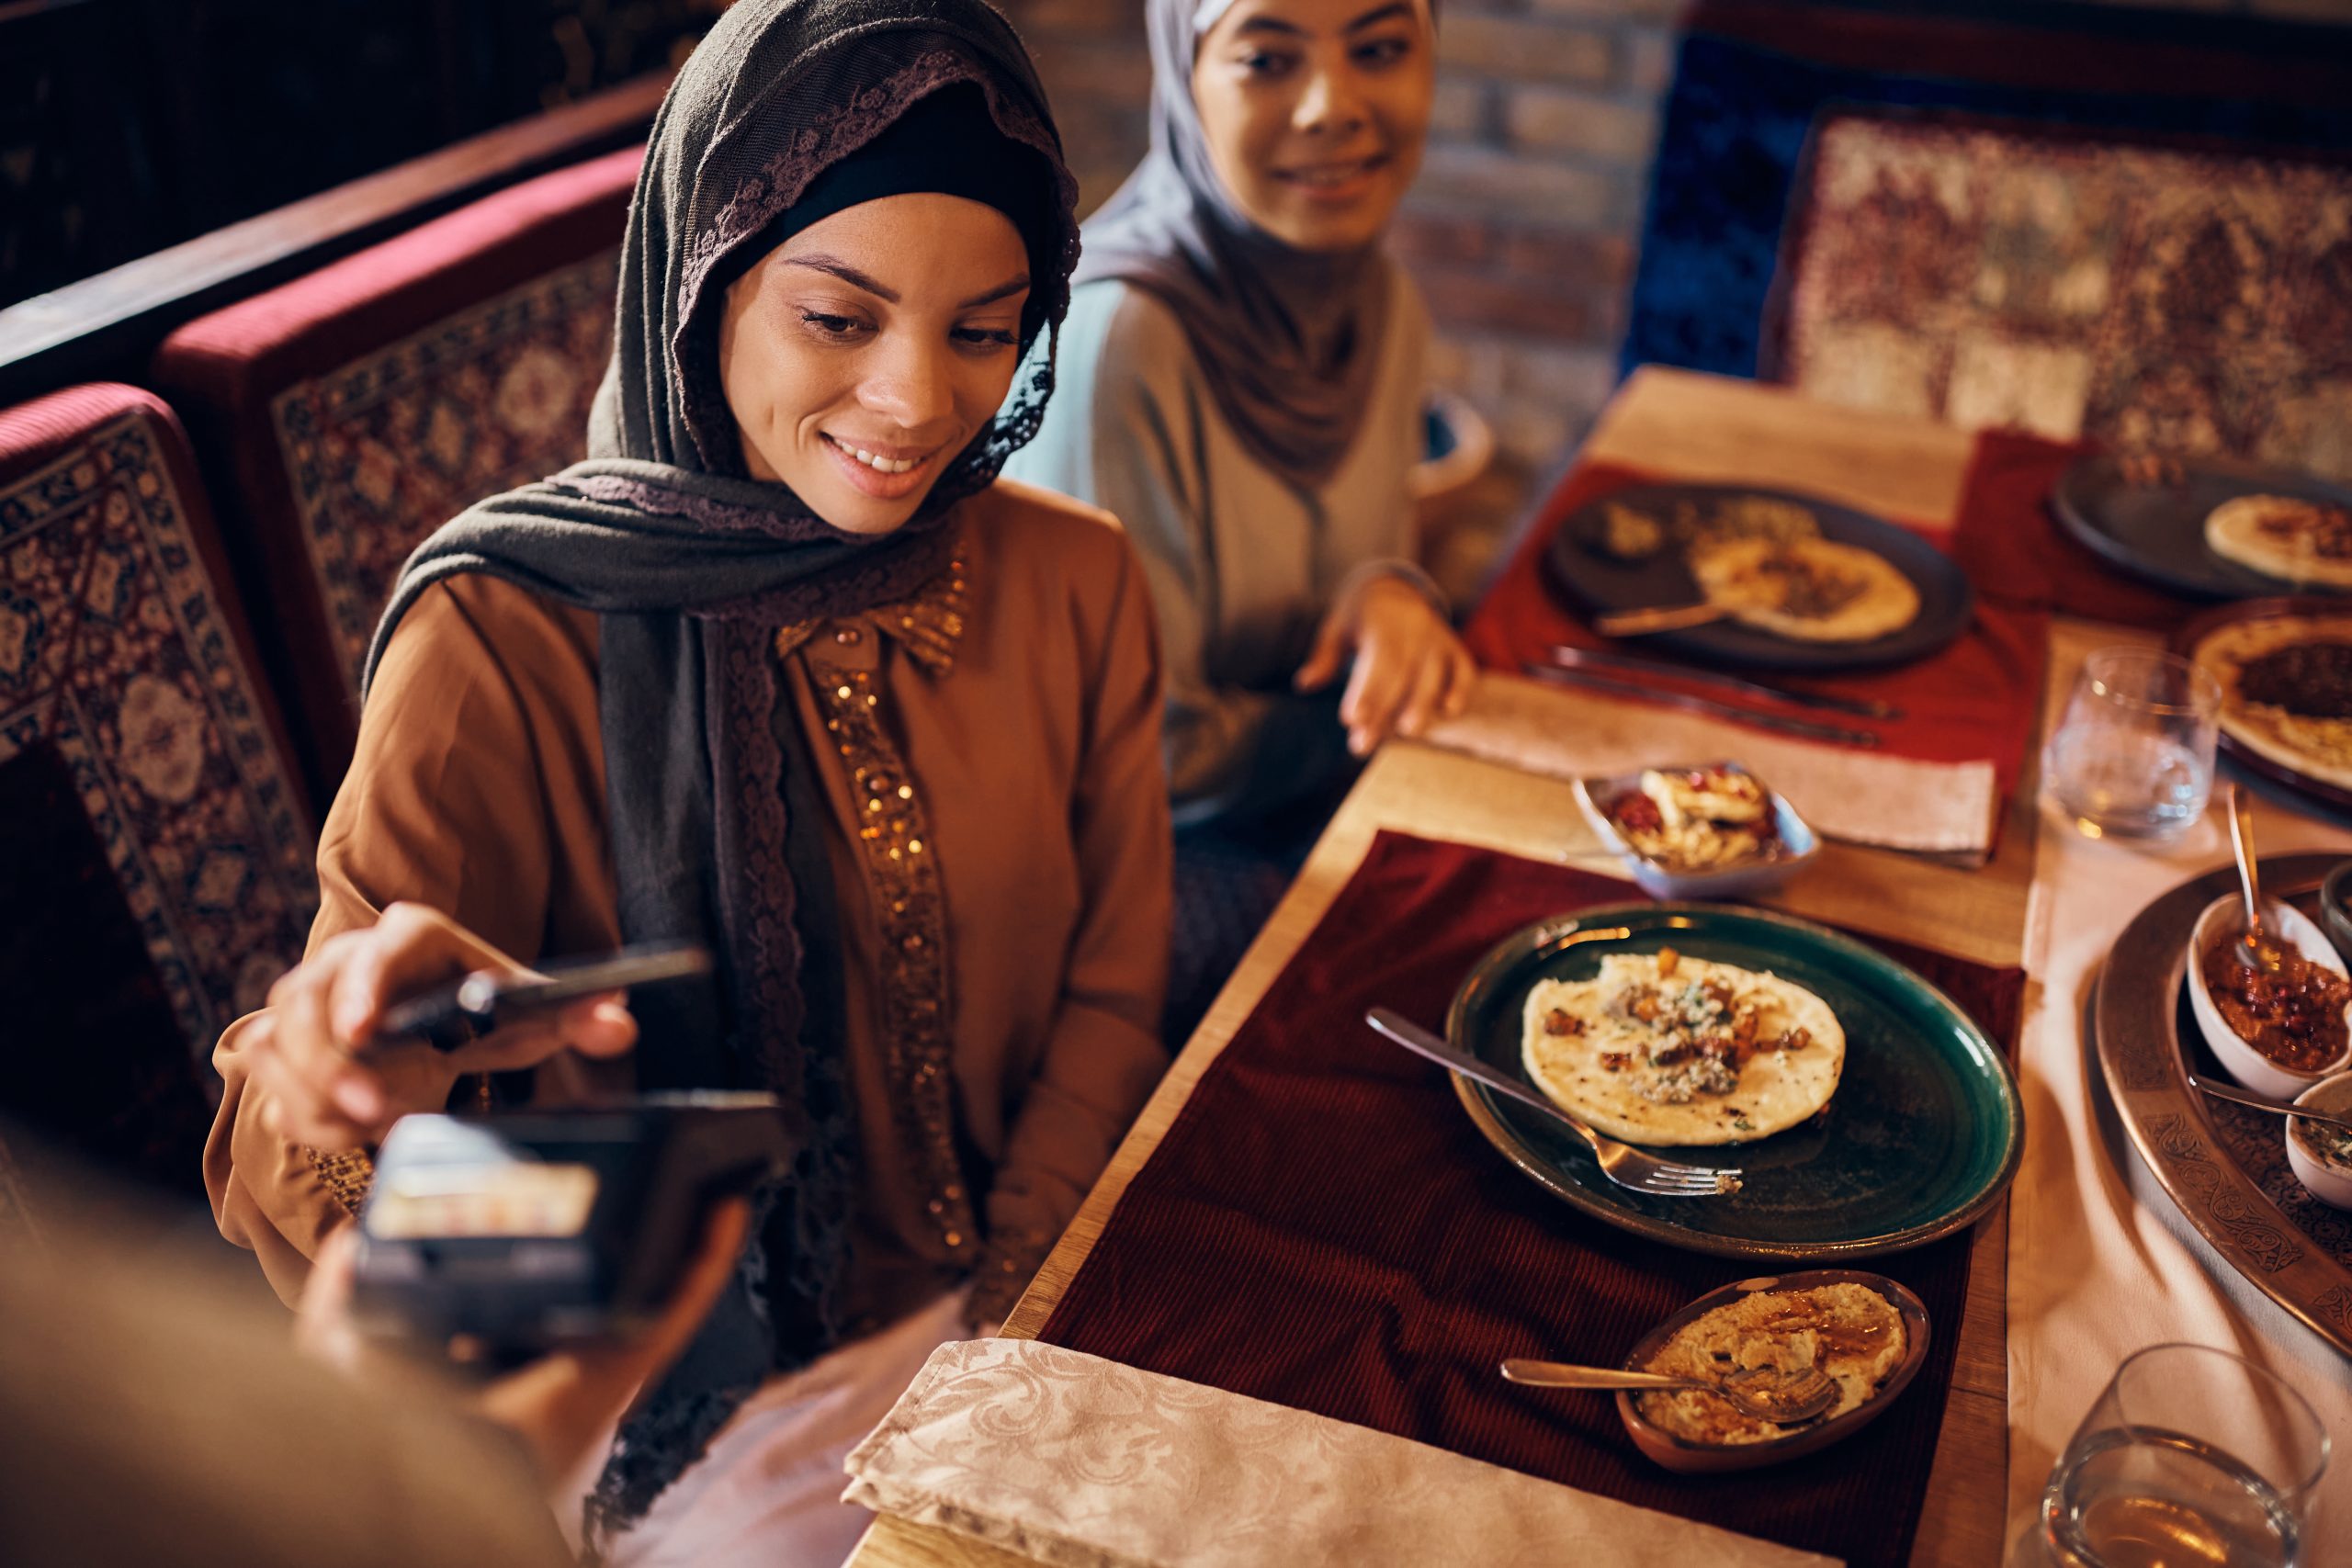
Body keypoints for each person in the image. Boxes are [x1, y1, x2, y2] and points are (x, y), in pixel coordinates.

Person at [201, 1, 1172, 1561]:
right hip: (675, 1390)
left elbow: (1114, 989)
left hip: (1036, 1290)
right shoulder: (500, 637)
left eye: (983, 330)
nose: (919, 400)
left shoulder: (1078, 582)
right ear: (702, 285)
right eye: (839, 319)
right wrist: (349, 1092)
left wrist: (1006, 1323)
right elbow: (310, 1121)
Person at [1003, 0, 1464, 1036]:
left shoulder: (1381, 303)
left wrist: (1389, 593)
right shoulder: (1118, 345)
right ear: (1184, 78)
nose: (1329, 107)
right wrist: (1365, 721)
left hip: (1299, 801)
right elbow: (1145, 765)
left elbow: (1362, 570)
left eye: (1380, 49)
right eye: (1266, 58)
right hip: (1126, 891)